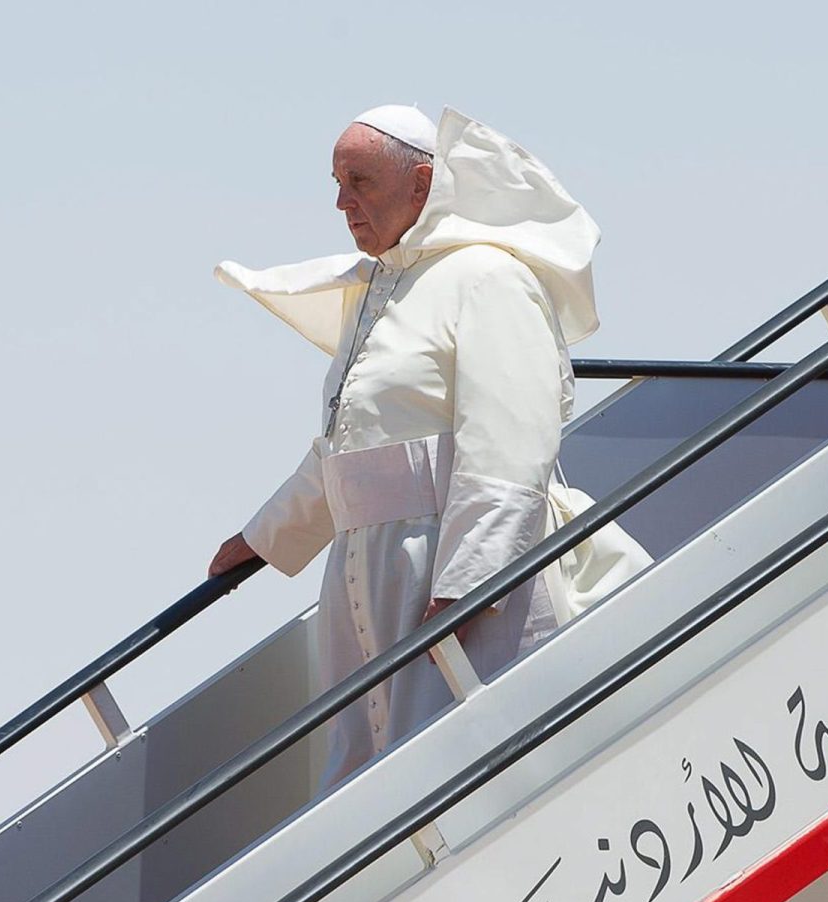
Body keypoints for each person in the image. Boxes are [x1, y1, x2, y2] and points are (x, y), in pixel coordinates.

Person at [209, 105, 642, 789]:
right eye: (336, 183)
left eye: (360, 181)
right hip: (369, 576)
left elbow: (510, 439)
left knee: (462, 767)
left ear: (422, 182)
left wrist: (471, 581)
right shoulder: (379, 288)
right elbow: (346, 444)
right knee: (373, 775)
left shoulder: (486, 277)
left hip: (453, 571)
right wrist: (264, 537)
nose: (342, 202)